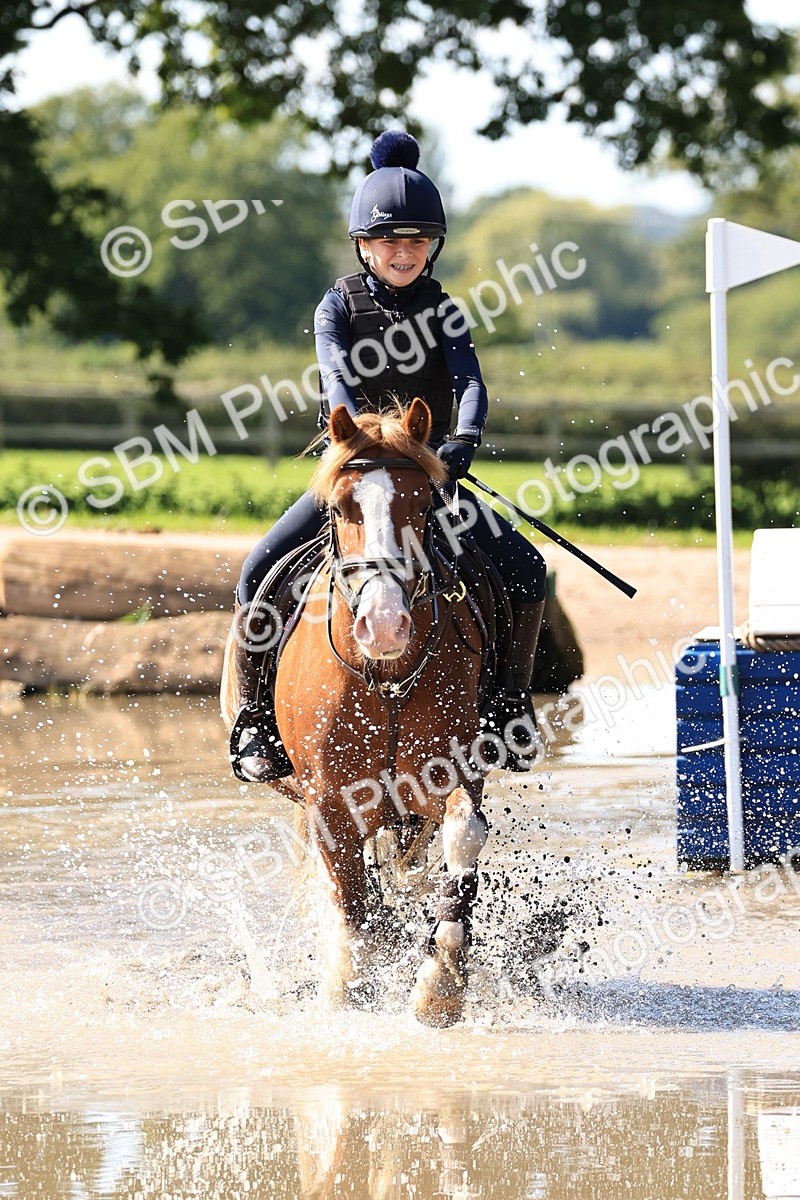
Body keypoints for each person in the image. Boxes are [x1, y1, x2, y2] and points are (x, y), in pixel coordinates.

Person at [232, 130, 547, 782]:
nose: (403, 252)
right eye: (389, 241)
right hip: (353, 473)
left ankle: (510, 703)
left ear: (431, 247)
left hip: (424, 476)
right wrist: (355, 440)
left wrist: (462, 440)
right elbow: (338, 383)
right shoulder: (336, 305)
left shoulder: (444, 308)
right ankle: (257, 720)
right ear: (363, 245)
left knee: (525, 566)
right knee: (258, 571)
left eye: (416, 241)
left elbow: (471, 383)